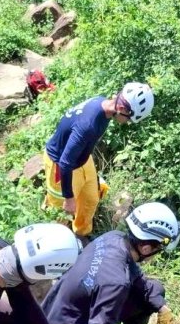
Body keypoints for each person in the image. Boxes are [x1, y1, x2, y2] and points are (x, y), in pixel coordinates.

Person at [42, 202, 180, 324]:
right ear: (146, 248)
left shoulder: (114, 238)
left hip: (68, 311)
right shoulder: (116, 282)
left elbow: (139, 281)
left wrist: (162, 307)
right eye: (159, 249)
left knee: (155, 289)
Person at [44, 82, 155, 238]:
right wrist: (69, 198)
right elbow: (65, 162)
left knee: (90, 199)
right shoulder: (88, 125)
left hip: (81, 158)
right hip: (61, 165)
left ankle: (81, 235)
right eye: (129, 119)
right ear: (122, 109)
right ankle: (55, 241)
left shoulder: (103, 105)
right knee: (63, 211)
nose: (127, 123)